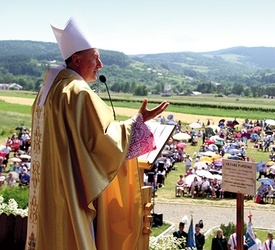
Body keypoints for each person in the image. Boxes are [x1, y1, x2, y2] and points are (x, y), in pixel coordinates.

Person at [26, 18, 169, 250]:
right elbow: (102, 142)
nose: (100, 64)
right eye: (95, 57)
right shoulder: (78, 92)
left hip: (52, 184)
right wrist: (137, 122)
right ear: (77, 59)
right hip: (71, 189)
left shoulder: (49, 89)